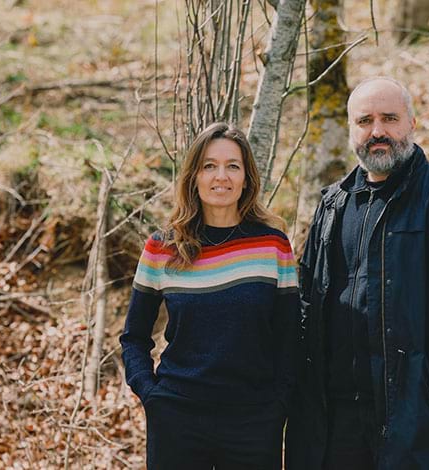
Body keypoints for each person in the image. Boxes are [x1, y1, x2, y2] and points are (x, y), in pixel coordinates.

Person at [285, 77, 429, 470]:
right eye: (365, 121)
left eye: (390, 118)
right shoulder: (332, 204)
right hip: (334, 417)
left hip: (413, 411)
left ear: (412, 123)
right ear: (352, 128)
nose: (378, 132)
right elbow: (308, 294)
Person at [120, 122, 298, 470]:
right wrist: (151, 395)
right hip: (177, 418)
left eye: (233, 166)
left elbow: (289, 337)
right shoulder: (163, 247)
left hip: (253, 421)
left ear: (247, 178)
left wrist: (279, 403)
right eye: (209, 166)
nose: (222, 177)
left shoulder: (272, 246)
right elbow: (134, 337)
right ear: (194, 177)